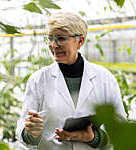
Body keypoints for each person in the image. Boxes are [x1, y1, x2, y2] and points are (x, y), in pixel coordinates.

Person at [16, 12, 126, 150]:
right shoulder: (38, 80)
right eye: (50, 39)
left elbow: (120, 127)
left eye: (61, 38)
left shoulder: (105, 79)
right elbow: (23, 128)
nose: (54, 45)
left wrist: (94, 138)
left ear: (80, 41)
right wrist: (31, 132)